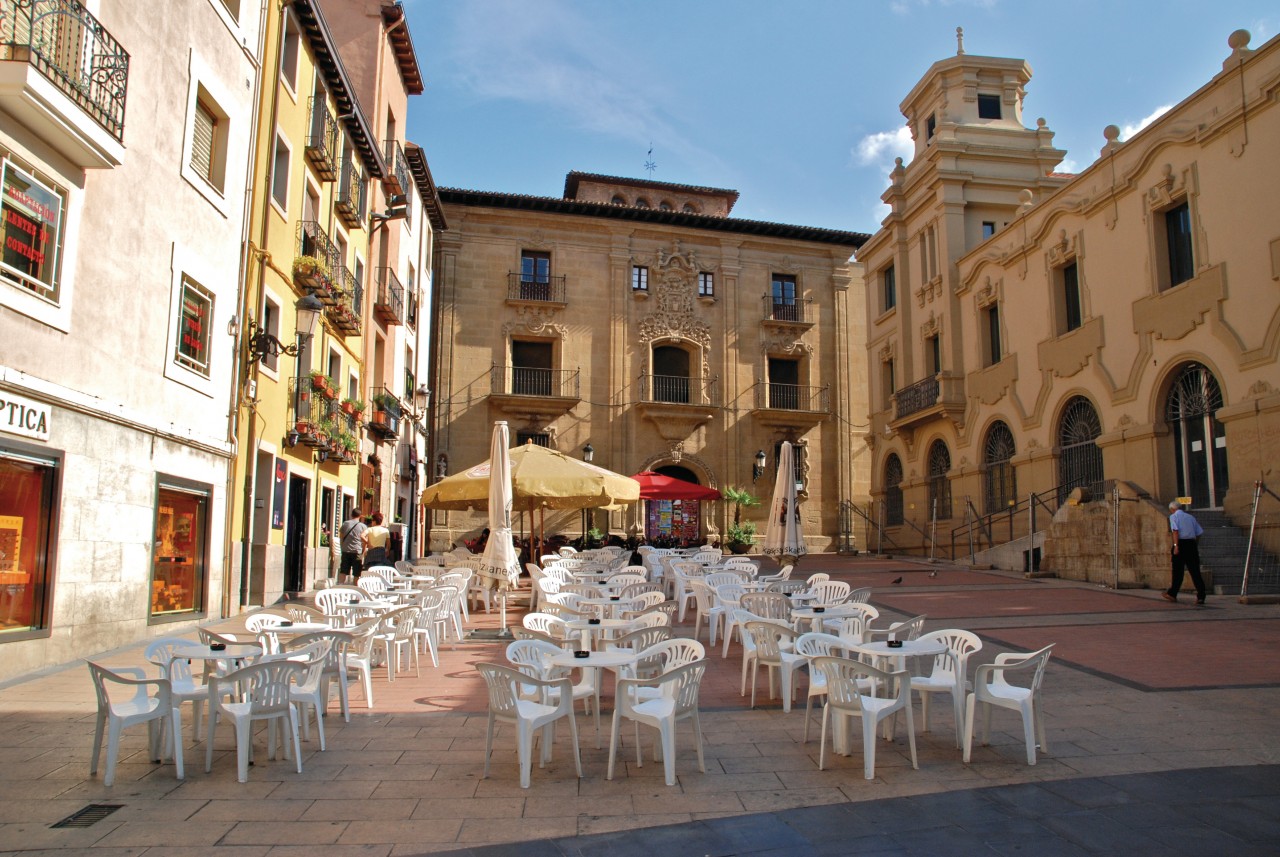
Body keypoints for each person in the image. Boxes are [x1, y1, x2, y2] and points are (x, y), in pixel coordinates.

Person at [1165, 500, 1206, 605]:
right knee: (1195, 571)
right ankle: (1201, 596)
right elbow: (1199, 532)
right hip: (1191, 544)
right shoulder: (1190, 517)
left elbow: (1175, 531)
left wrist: (1175, 546)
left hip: (1181, 543)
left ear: (1172, 509)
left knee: (1178, 571)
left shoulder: (1174, 517)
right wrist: (1195, 544)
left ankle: (1172, 593)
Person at [338, 509, 367, 582]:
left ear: (351, 515)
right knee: (357, 573)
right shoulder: (363, 526)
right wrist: (363, 552)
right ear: (360, 516)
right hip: (357, 551)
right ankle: (355, 588)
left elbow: (341, 537)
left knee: (343, 571)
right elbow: (364, 542)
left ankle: (340, 587)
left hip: (346, 550)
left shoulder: (345, 523)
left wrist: (342, 547)